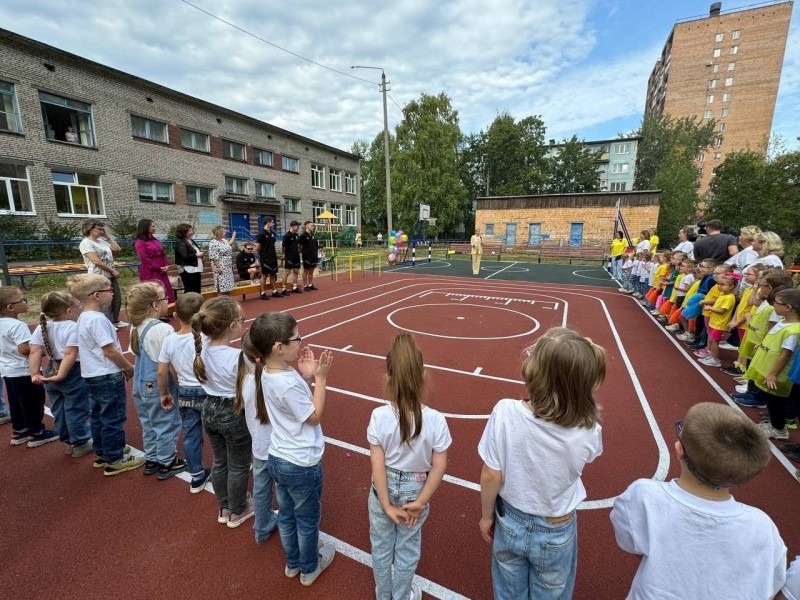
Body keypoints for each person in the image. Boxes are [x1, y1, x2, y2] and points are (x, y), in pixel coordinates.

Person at [610, 402, 785, 599]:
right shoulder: (763, 527)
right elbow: (771, 584)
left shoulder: (645, 496)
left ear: (679, 450)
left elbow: (628, 541)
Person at [478, 327, 605, 599]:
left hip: (510, 518)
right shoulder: (588, 429)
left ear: (533, 372)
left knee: (509, 591)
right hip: (556, 526)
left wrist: (486, 516)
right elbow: (589, 456)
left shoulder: (505, 411)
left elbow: (491, 474)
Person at [246, 311, 335, 586]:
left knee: (285, 514)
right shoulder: (284, 383)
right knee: (307, 520)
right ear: (279, 347)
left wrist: (306, 375)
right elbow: (314, 416)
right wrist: (320, 379)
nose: (301, 342)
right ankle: (309, 568)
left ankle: (293, 563)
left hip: (278, 457)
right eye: (297, 338)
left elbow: (293, 400)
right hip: (300, 462)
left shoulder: (269, 371)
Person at [368, 333, 451, 600]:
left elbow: (377, 463)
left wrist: (385, 502)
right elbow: (438, 467)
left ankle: (384, 595)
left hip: (383, 489)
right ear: (424, 376)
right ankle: (402, 596)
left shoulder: (378, 416)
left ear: (388, 379)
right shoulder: (437, 420)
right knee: (406, 548)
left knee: (381, 548)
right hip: (416, 490)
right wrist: (422, 501)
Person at [66, 274, 143, 475]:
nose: (113, 293)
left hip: (92, 374)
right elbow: (109, 350)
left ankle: (103, 451)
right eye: (109, 290)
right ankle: (114, 457)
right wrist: (128, 367)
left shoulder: (83, 317)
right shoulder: (98, 320)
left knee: (99, 415)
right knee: (113, 416)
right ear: (96, 295)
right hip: (107, 373)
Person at [192, 296, 253, 527]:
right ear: (232, 326)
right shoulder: (237, 357)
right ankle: (237, 510)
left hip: (209, 408)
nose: (243, 323)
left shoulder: (200, 350)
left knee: (219, 461)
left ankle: (225, 506)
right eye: (241, 319)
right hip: (233, 411)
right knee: (238, 464)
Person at [127, 282, 184, 479]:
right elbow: (168, 365)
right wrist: (174, 387)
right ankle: (167, 461)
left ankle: (152, 458)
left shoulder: (136, 327)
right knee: (166, 421)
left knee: (148, 421)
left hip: (140, 383)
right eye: (165, 298)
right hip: (157, 385)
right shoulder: (163, 329)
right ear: (154, 305)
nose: (168, 301)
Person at [158, 292, 212, 493]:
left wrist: (165, 393)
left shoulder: (170, 340)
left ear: (175, 316)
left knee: (191, 434)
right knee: (220, 433)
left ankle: (196, 476)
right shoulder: (208, 338)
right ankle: (230, 468)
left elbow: (163, 369)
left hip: (185, 393)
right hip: (208, 392)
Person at [28, 291, 92, 457]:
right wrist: (62, 375)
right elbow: (70, 353)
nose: (81, 307)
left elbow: (34, 351)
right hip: (71, 371)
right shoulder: (73, 327)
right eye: (78, 305)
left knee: (59, 409)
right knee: (76, 408)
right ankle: (80, 441)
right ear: (69, 311)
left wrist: (34, 373)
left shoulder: (43, 327)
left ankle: (69, 441)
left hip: (51, 368)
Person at [0, 287, 58, 448]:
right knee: (33, 401)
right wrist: (44, 350)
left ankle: (20, 430)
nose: (25, 302)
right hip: (23, 370)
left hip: (8, 370)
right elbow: (25, 349)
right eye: (22, 300)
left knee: (16, 401)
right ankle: (37, 432)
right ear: (10, 307)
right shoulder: (17, 325)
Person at [237, 330, 279, 545]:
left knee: (261, 488)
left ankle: (261, 528)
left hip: (259, 448)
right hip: (279, 449)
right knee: (283, 490)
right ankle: (287, 523)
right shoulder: (275, 382)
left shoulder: (245, 382)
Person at [745, 288, 800, 441]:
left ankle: (779, 429)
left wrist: (772, 374)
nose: (773, 305)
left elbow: (786, 354)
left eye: (776, 303)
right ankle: (775, 424)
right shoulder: (784, 322)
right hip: (766, 367)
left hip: (777, 374)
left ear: (788, 307)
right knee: (770, 398)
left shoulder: (794, 330)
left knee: (776, 401)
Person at [78, 220, 127, 329]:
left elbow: (117, 249)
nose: (101, 231)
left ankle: (115, 320)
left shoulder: (102, 241)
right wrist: (112, 270)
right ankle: (107, 323)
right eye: (99, 229)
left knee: (116, 299)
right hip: (98, 276)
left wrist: (107, 236)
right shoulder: (86, 243)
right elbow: (96, 261)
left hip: (110, 275)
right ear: (90, 229)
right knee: (104, 300)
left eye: (102, 229)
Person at [134, 219, 175, 304]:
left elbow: (162, 253)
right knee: (154, 290)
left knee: (165, 288)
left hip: (162, 270)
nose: (155, 228)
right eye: (152, 226)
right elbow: (144, 258)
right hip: (150, 270)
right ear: (145, 227)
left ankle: (167, 309)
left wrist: (166, 265)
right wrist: (158, 268)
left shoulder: (155, 240)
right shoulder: (140, 242)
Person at [174, 223, 205, 294]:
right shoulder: (180, 242)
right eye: (190, 230)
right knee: (190, 289)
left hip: (196, 268)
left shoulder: (191, 240)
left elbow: (195, 251)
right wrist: (197, 255)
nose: (192, 232)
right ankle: (189, 304)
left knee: (197, 289)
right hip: (187, 269)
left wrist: (201, 254)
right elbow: (185, 256)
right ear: (184, 232)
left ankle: (197, 303)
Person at [256, 217, 281, 300]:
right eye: (272, 222)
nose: (273, 224)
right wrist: (263, 254)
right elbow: (258, 248)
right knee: (264, 275)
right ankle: (263, 293)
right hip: (265, 257)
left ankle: (274, 291)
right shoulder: (261, 233)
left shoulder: (272, 233)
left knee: (273, 274)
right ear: (268, 222)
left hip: (273, 257)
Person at [208, 225, 236, 295]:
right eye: (223, 231)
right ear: (219, 232)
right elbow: (213, 255)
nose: (225, 232)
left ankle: (227, 299)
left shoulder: (223, 241)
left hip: (227, 264)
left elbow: (229, 246)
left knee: (228, 284)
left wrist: (233, 237)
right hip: (220, 264)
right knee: (221, 283)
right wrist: (218, 267)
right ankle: (221, 300)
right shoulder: (213, 242)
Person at [282, 220, 302, 294]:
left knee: (296, 271)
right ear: (293, 226)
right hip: (289, 256)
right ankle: (284, 289)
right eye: (297, 226)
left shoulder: (297, 235)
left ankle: (294, 287)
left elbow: (298, 245)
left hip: (296, 256)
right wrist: (285, 254)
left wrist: (299, 250)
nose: (298, 227)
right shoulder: (287, 235)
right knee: (287, 272)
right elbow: (283, 247)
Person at [298, 221, 319, 291]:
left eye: (313, 226)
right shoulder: (303, 235)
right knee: (306, 271)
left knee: (311, 270)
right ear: (307, 226)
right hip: (306, 256)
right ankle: (305, 285)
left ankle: (310, 284)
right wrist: (303, 252)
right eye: (311, 226)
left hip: (313, 255)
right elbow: (300, 246)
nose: (313, 227)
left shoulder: (312, 235)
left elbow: (315, 244)